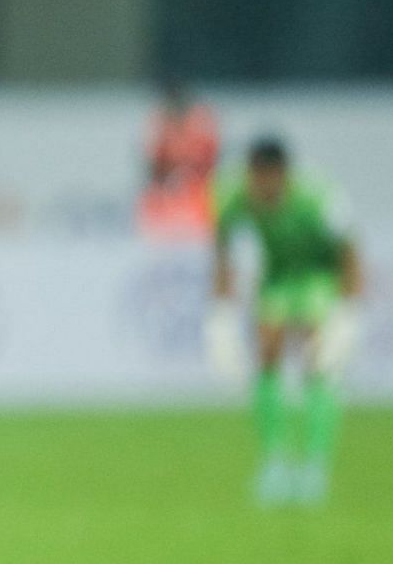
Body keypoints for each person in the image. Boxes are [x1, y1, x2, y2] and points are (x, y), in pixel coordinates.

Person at [207, 137, 361, 505]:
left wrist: (348, 310)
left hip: (318, 275)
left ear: (283, 174)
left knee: (317, 361)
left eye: (267, 177)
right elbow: (223, 251)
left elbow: (349, 252)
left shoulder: (319, 198)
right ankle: (274, 460)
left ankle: (315, 465)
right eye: (255, 177)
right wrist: (221, 314)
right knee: (267, 350)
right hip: (277, 277)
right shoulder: (234, 197)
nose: (261, 186)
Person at [139, 82, 219, 239]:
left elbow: (210, 161)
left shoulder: (202, 123)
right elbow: (154, 163)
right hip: (166, 191)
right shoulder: (160, 124)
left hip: (199, 190)